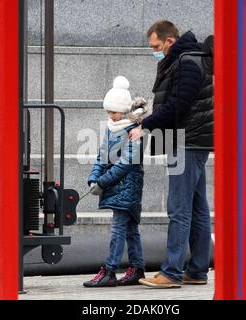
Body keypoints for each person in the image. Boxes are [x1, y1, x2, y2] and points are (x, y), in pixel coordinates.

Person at [129, 20, 214, 288]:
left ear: (170, 41)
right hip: (192, 140)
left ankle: (172, 272)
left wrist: (147, 125)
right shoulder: (190, 59)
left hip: (186, 141)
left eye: (156, 46)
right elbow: (178, 101)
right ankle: (198, 270)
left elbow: (180, 103)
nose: (154, 51)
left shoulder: (187, 61)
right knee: (198, 207)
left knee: (178, 207)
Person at [83, 76, 150, 288]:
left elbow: (128, 162)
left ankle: (110, 270)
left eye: (114, 111)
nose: (110, 116)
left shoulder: (135, 129)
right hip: (116, 185)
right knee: (130, 227)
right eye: (108, 112)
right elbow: (103, 156)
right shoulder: (111, 128)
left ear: (123, 110)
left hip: (128, 186)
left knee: (118, 228)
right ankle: (137, 268)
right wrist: (94, 177)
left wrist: (102, 182)